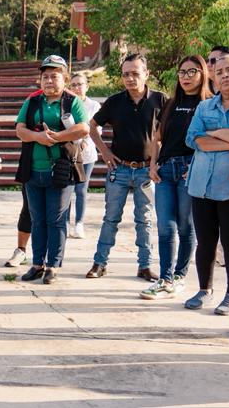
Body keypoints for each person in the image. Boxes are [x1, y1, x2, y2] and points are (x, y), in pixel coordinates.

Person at [183, 55, 229, 314]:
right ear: (213, 77)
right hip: (201, 183)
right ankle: (204, 289)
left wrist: (212, 133)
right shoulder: (205, 107)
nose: (225, 75)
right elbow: (194, 140)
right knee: (205, 241)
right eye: (220, 71)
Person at [86, 54, 166, 280]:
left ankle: (145, 265)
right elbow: (92, 126)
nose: (130, 78)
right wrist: (104, 151)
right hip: (119, 170)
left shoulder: (160, 100)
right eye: (125, 74)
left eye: (135, 73)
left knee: (145, 220)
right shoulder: (115, 101)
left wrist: (154, 164)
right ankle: (99, 263)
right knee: (111, 217)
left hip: (146, 171)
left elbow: (164, 135)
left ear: (146, 74)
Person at [13, 55, 89, 284]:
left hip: (61, 170)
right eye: (45, 76)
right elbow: (19, 129)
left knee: (56, 219)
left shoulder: (71, 101)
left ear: (64, 78)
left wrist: (56, 138)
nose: (49, 81)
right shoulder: (33, 100)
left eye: (54, 76)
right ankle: (37, 264)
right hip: (33, 169)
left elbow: (83, 128)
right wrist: (37, 136)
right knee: (38, 219)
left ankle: (53, 266)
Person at [142, 55, 210, 299]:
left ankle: (180, 275)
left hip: (189, 170)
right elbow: (157, 139)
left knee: (185, 225)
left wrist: (195, 166)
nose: (186, 77)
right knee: (164, 226)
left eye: (192, 72)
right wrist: (152, 165)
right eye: (182, 72)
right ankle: (165, 278)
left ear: (203, 74)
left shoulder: (208, 103)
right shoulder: (171, 103)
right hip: (165, 170)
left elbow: (208, 141)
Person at [66, 71, 100, 239]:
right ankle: (64, 222)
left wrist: (83, 140)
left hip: (86, 154)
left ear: (87, 86)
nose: (77, 88)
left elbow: (95, 128)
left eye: (80, 84)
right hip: (68, 152)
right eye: (73, 85)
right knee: (66, 188)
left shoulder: (94, 106)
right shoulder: (66, 104)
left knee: (81, 189)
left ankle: (79, 223)